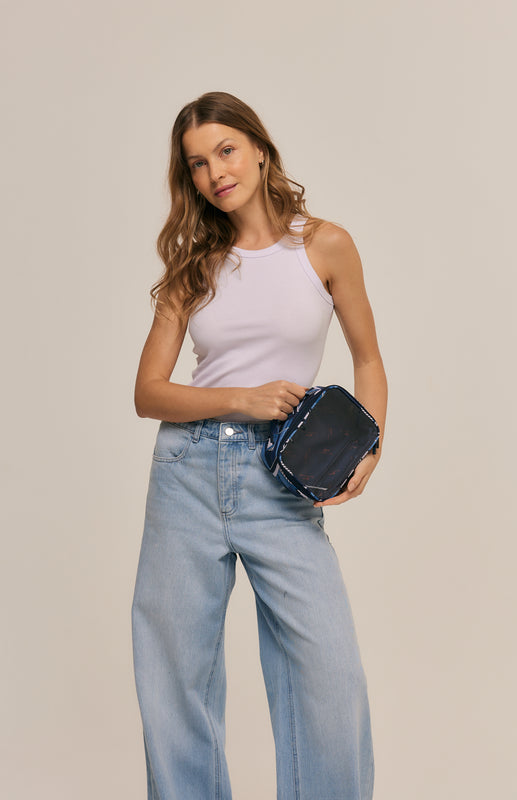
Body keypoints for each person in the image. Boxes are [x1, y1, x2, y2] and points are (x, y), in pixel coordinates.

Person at [131, 90, 387, 800]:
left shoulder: (324, 245)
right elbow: (148, 392)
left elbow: (368, 358)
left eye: (226, 150)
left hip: (282, 475)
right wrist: (240, 398)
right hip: (187, 471)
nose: (215, 172)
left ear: (260, 149)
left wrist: (369, 446)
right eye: (197, 164)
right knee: (175, 678)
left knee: (329, 674)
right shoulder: (193, 266)